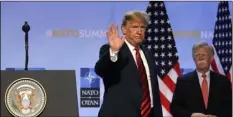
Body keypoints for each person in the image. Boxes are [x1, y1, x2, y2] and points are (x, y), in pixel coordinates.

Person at [94, 10, 163, 117]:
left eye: (142, 27)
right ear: (124, 29)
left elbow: (152, 89)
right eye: (134, 27)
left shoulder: (147, 53)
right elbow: (100, 70)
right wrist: (114, 51)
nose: (139, 31)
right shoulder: (110, 50)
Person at [170, 42, 232, 117]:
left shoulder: (223, 81)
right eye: (197, 55)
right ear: (194, 59)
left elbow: (229, 107)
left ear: (211, 58)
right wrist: (191, 115)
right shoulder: (182, 81)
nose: (200, 57)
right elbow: (175, 108)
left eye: (203, 55)